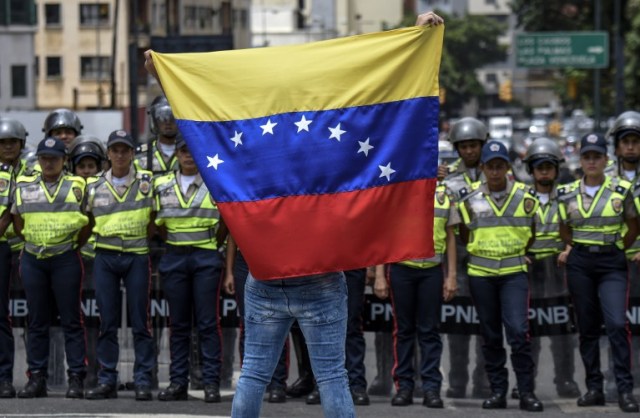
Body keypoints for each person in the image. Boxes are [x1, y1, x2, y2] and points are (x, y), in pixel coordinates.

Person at [144, 10, 444, 418]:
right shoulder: (334, 167)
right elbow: (375, 126)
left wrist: (164, 75)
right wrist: (422, 34)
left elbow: (206, 115)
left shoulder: (251, 160)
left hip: (266, 279)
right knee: (332, 376)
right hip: (320, 283)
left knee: (252, 374)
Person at [457, 140, 543, 412]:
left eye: (499, 166)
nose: (495, 172)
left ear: (507, 168)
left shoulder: (525, 197)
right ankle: (498, 391)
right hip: (481, 274)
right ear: (482, 168)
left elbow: (532, 234)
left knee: (518, 332)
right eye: (490, 166)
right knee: (491, 334)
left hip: (513, 274)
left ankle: (526, 391)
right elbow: (464, 234)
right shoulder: (469, 199)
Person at [557, 132, 639, 413]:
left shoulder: (621, 190)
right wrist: (575, 247)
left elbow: (633, 226)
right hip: (580, 263)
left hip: (611, 263)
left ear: (606, 159)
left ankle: (625, 389)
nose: (592, 161)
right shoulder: (566, 193)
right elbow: (564, 229)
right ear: (580, 160)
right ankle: (594, 387)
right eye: (587, 156)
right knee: (588, 328)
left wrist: (616, 247)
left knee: (617, 324)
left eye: (597, 156)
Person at [11, 137, 90, 398]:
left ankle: (76, 378)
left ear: (64, 161)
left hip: (65, 258)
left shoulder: (77, 186)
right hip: (34, 259)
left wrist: (70, 246)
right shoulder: (24, 186)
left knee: (72, 320)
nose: (48, 163)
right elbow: (18, 222)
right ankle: (37, 379)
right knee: (37, 321)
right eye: (44, 158)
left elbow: (87, 224)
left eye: (54, 158)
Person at [84, 130, 156, 401]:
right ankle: (107, 380)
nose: (121, 154)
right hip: (105, 256)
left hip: (137, 255)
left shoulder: (147, 181)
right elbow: (88, 220)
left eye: (125, 149)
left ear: (132, 153)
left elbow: (154, 218)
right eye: (115, 150)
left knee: (141, 322)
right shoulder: (94, 186)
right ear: (108, 154)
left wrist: (137, 239)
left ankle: (142, 380)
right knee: (107, 322)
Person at [154, 136, 225, 403]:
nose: (188, 156)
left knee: (208, 324)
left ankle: (211, 384)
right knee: (179, 325)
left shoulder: (213, 183)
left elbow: (224, 225)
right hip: (175, 257)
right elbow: (156, 223)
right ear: (178, 155)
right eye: (184, 151)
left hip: (206, 257)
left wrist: (207, 245)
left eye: (193, 151)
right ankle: (177, 383)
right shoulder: (162, 185)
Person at [373, 183, 458, 408]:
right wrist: (380, 275)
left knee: (430, 331)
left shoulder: (443, 195)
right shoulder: (397, 190)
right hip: (402, 269)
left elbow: (450, 237)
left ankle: (431, 388)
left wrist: (452, 276)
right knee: (404, 331)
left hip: (432, 270)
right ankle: (404, 387)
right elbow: (384, 236)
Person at [521, 137, 580, 398]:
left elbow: (580, 229)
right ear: (531, 170)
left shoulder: (569, 197)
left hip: (560, 269)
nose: (544, 171)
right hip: (531, 269)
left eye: (549, 166)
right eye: (539, 166)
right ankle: (526, 381)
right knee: (529, 329)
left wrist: (569, 249)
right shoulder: (521, 198)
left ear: (557, 169)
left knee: (563, 330)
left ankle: (565, 380)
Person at [439, 116, 490, 399]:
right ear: (457, 148)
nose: (470, 151)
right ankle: (457, 379)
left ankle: (482, 380)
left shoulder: (498, 173)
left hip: (488, 256)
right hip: (457, 256)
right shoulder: (447, 178)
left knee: (486, 323)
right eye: (464, 146)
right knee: (457, 322)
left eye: (474, 146)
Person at [223, 234, 290, 403]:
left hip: (274, 258)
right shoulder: (239, 205)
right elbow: (233, 236)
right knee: (248, 324)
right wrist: (229, 272)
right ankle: (250, 385)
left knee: (278, 323)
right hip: (244, 262)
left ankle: (277, 384)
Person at [605, 111, 640, 399]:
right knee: (615, 323)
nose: (630, 146)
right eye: (625, 141)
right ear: (616, 146)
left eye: (635, 141)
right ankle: (615, 377)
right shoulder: (603, 178)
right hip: (615, 261)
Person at [68, 135, 107, 388]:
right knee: (76, 321)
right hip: (74, 262)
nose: (86, 172)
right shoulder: (67, 192)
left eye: (91, 167)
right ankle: (79, 372)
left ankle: (97, 372)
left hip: (99, 263)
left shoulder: (105, 190)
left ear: (99, 168)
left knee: (99, 321)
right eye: (81, 167)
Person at [0, 117, 28, 398]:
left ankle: (4, 378)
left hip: (18, 250)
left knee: (3, 317)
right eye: (3, 142)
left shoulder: (31, 169)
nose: (8, 146)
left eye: (12, 142)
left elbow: (12, 212)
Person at [135, 96, 179, 174]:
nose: (167, 122)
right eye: (161, 117)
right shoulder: (141, 155)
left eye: (172, 117)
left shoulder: (192, 154)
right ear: (154, 120)